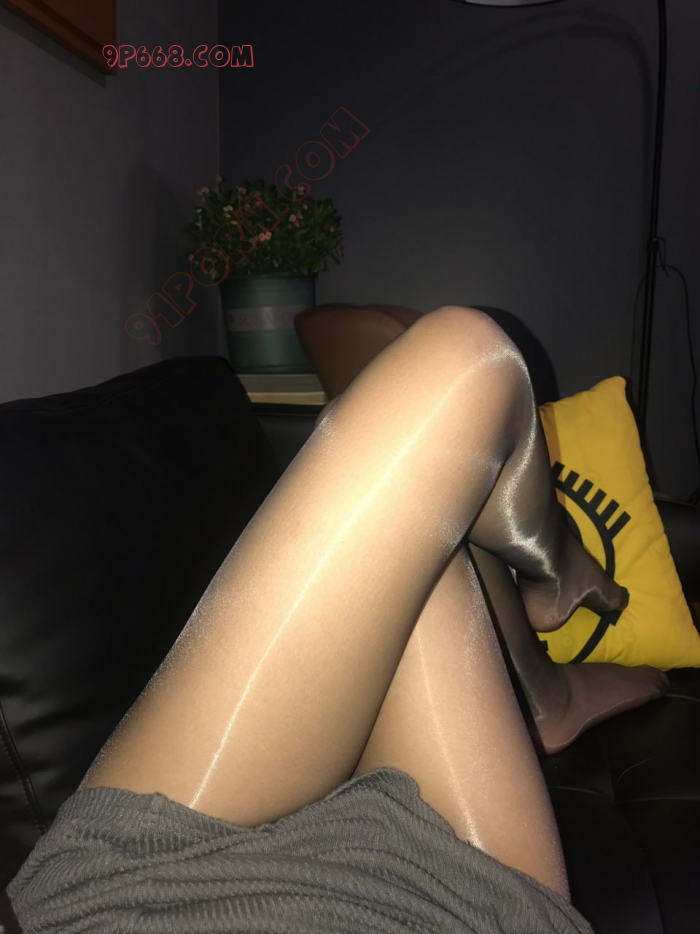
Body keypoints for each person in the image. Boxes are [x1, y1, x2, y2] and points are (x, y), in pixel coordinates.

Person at [6, 306, 666, 933]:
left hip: (102, 894)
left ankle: (548, 666)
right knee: (468, 361)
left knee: (416, 502)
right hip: (442, 909)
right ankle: (555, 589)